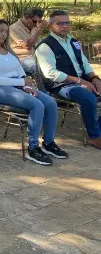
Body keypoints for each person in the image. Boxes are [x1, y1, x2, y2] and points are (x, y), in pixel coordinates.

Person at [0, 20, 66, 165]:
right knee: (37, 105)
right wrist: (22, 83)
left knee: (50, 102)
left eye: (6, 31)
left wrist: (26, 85)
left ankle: (49, 143)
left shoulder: (9, 51)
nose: (4, 34)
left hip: (17, 85)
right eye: (1, 30)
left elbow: (20, 72)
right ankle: (33, 148)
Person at [36, 10, 101, 150]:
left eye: (67, 23)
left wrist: (94, 78)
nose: (65, 26)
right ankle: (94, 136)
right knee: (88, 98)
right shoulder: (45, 46)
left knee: (96, 90)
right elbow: (50, 73)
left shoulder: (73, 41)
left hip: (82, 80)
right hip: (61, 85)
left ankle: (98, 129)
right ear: (50, 26)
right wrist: (79, 81)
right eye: (60, 23)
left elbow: (84, 63)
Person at [9, 8, 46, 75]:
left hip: (37, 56)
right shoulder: (13, 28)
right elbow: (27, 46)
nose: (36, 24)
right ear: (26, 17)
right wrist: (39, 30)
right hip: (22, 58)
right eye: (35, 21)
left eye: (39, 22)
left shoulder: (34, 27)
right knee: (39, 69)